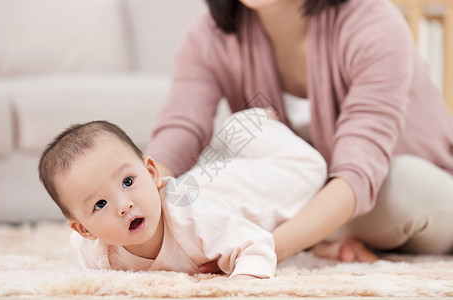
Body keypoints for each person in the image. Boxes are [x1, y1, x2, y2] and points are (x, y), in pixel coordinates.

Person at [145, 0, 453, 266]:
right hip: (309, 195)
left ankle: (308, 236)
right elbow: (180, 132)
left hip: (405, 189)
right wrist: (135, 189)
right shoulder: (207, 38)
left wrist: (261, 250)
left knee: (406, 184)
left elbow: (357, 174)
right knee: (198, 176)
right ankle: (317, 237)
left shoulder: (374, 22)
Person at [38, 108, 357, 280]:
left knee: (313, 168)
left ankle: (250, 123)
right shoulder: (94, 250)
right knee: (207, 172)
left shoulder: (193, 220)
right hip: (206, 185)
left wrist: (243, 285)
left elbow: (256, 244)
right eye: (100, 203)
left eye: (128, 182)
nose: (124, 205)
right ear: (84, 228)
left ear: (152, 174)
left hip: (253, 186)